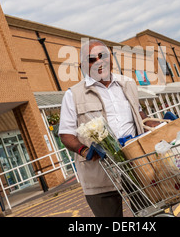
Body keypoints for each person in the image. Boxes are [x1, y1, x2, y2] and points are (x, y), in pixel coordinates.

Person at [58, 39, 159, 217]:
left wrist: (152, 125)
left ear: (110, 58)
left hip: (135, 166)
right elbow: (66, 134)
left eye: (102, 55)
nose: (98, 61)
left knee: (150, 215)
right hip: (100, 174)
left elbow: (139, 114)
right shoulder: (72, 94)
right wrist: (84, 150)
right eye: (91, 59)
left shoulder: (127, 84)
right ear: (83, 65)